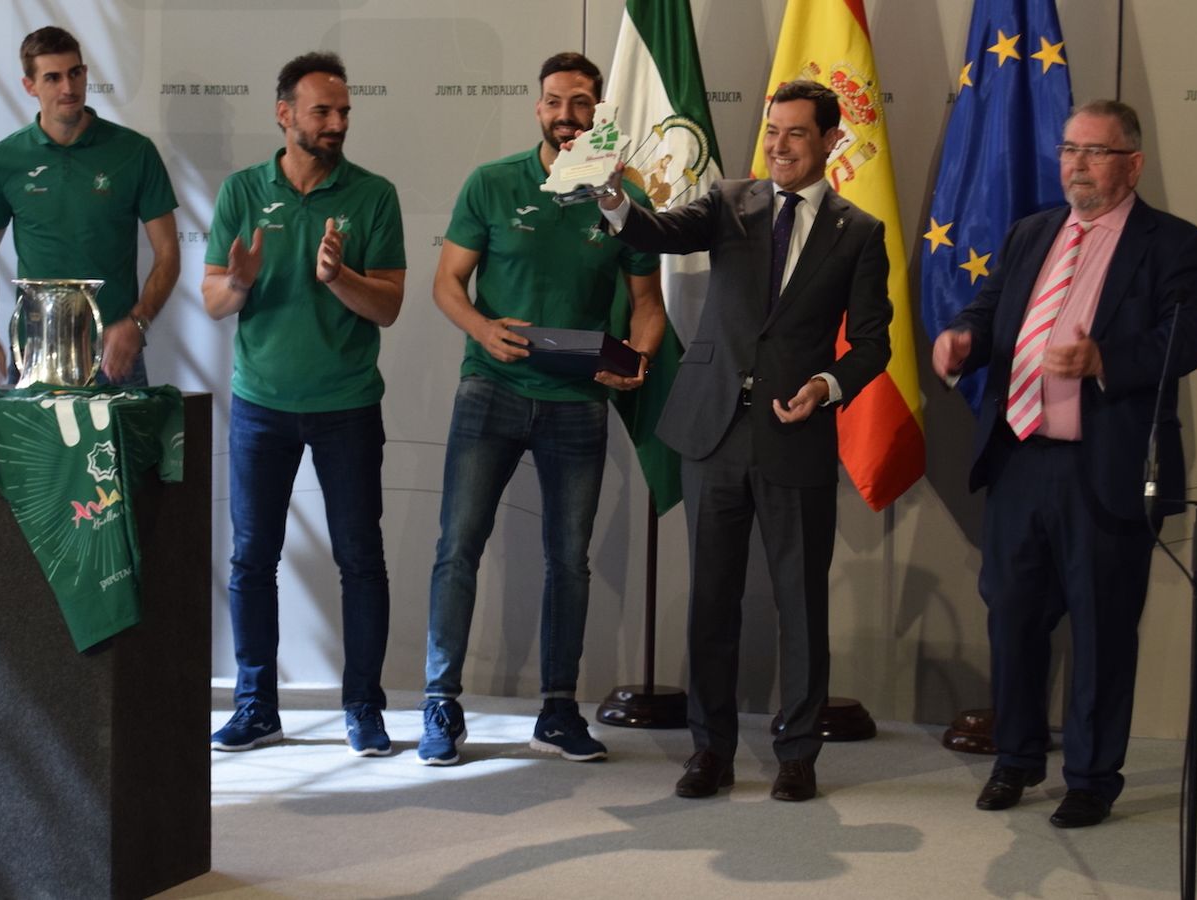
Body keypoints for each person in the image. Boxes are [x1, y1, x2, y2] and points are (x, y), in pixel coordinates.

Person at [598, 80, 891, 802]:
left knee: (799, 603)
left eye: (796, 133)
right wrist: (611, 198)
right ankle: (711, 750)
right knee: (712, 601)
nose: (780, 146)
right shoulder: (731, 202)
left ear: (830, 141)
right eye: (772, 131)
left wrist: (826, 385)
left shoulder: (860, 231)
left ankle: (797, 753)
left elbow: (874, 344)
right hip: (713, 431)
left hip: (796, 435)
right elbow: (654, 232)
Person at [931, 100, 1197, 828]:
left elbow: (1186, 342)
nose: (1076, 164)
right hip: (1022, 457)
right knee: (1014, 617)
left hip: (1105, 464)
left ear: (1132, 165)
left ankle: (1091, 777)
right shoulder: (1033, 232)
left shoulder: (1174, 244)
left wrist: (1102, 360)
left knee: (1101, 626)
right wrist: (963, 338)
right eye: (1069, 149)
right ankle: (1016, 760)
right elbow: (990, 312)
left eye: (1094, 152)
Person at [419, 51, 664, 766]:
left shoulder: (622, 197)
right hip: (489, 391)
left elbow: (646, 307)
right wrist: (480, 328)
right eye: (555, 102)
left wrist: (640, 360)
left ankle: (559, 709)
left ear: (598, 114)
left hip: (579, 401)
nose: (567, 115)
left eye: (581, 103)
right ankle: (441, 702)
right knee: (456, 548)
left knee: (569, 560)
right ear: (538, 109)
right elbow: (447, 283)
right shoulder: (492, 184)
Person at [201, 52, 406, 755]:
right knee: (252, 559)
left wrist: (338, 277)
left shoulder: (373, 195)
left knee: (360, 559)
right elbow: (212, 300)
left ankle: (364, 707)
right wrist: (242, 282)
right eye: (322, 111)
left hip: (347, 404)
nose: (337, 123)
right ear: (284, 114)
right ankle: (256, 704)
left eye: (344, 111)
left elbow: (388, 306)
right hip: (260, 405)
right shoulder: (240, 191)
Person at [0, 26, 179, 387]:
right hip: (34, 357)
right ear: (29, 86)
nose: (68, 88)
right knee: (33, 448)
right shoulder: (4, 160)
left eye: (75, 73)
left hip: (115, 359)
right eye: (53, 78)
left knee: (125, 447)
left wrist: (136, 323)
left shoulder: (134, 152)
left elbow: (169, 252)